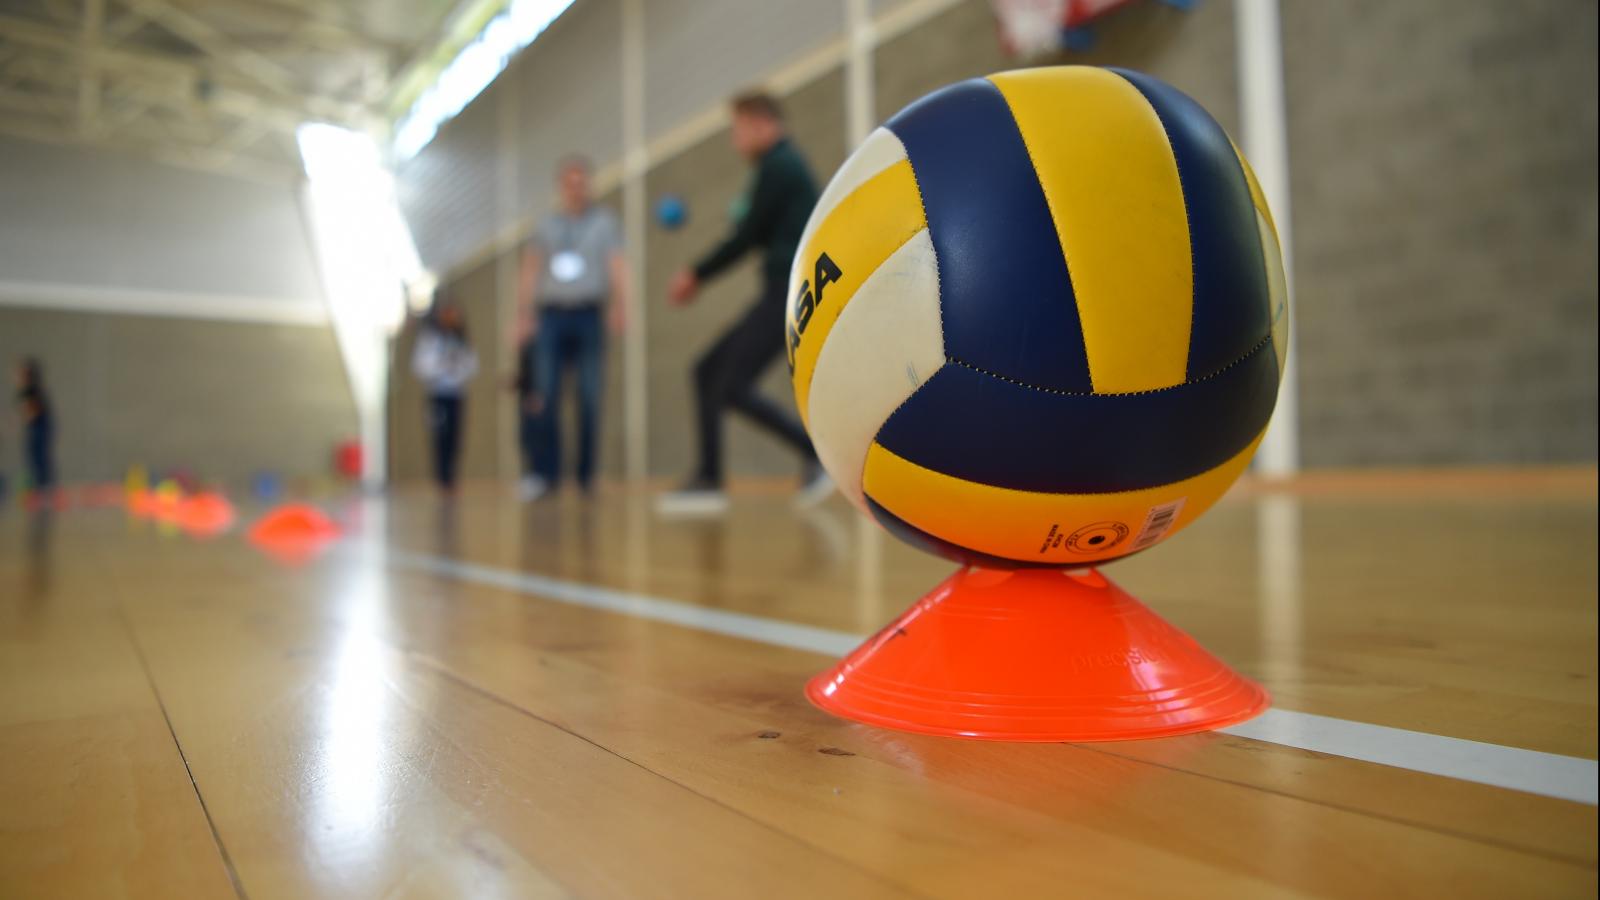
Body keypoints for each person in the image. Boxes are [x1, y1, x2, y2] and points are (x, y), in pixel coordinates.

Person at [659, 90, 831, 515]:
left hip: (790, 295)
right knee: (706, 371)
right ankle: (709, 478)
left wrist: (695, 274)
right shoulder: (773, 168)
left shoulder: (780, 166)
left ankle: (815, 454)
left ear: (760, 123)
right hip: (779, 292)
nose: (735, 142)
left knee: (731, 383)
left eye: (738, 130)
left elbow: (746, 236)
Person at [516, 155, 630, 501]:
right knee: (545, 394)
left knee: (590, 396)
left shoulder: (605, 223)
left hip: (588, 315)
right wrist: (523, 313)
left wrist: (622, 304)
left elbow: (617, 265)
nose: (576, 188)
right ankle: (545, 474)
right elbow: (530, 269)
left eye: (582, 182)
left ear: (589, 185)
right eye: (570, 182)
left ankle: (586, 477)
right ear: (561, 187)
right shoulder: (546, 226)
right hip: (551, 316)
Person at [411, 299, 478, 494]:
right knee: (440, 436)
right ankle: (441, 478)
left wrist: (457, 369)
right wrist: (440, 367)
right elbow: (420, 366)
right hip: (437, 394)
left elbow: (472, 366)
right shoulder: (430, 340)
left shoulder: (462, 340)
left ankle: (452, 477)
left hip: (456, 394)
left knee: (455, 436)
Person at [15, 358, 55, 499]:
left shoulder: (31, 390)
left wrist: (26, 416)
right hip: (37, 428)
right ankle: (40, 487)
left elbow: (33, 412)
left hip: (39, 428)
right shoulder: (28, 390)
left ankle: (42, 488)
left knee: (39, 458)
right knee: (36, 458)